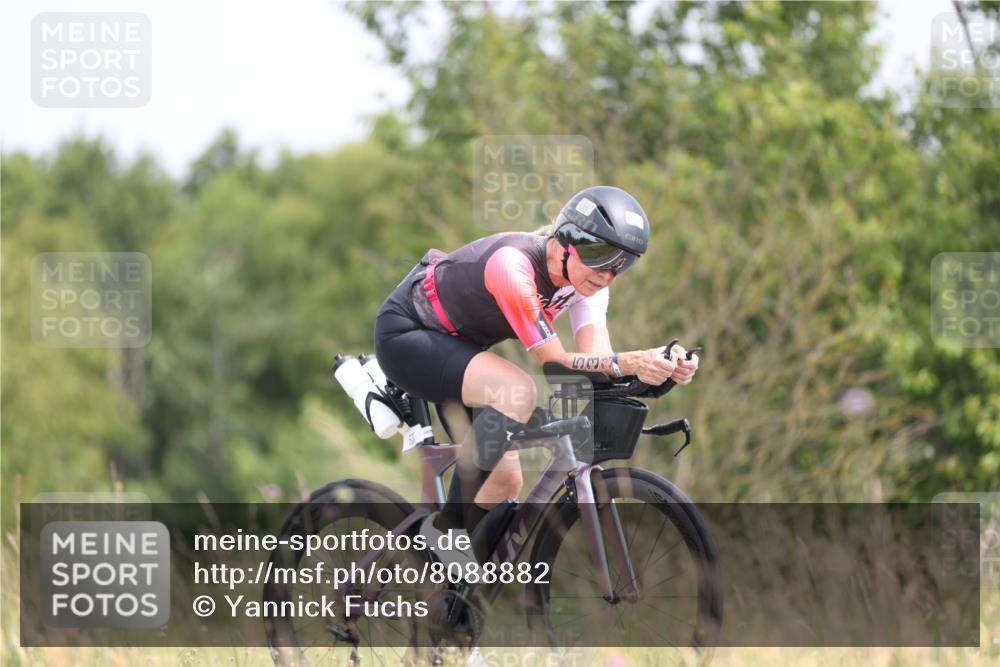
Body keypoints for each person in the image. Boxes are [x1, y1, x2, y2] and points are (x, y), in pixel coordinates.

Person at [373, 186, 699, 550]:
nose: (609, 274)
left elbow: (598, 361)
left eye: (623, 263)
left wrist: (660, 367)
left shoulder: (587, 284)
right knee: (519, 390)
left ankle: (451, 595)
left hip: (462, 351)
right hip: (407, 335)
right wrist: (631, 360)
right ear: (567, 241)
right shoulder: (512, 266)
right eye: (602, 256)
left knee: (504, 482)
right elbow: (555, 361)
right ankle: (445, 530)